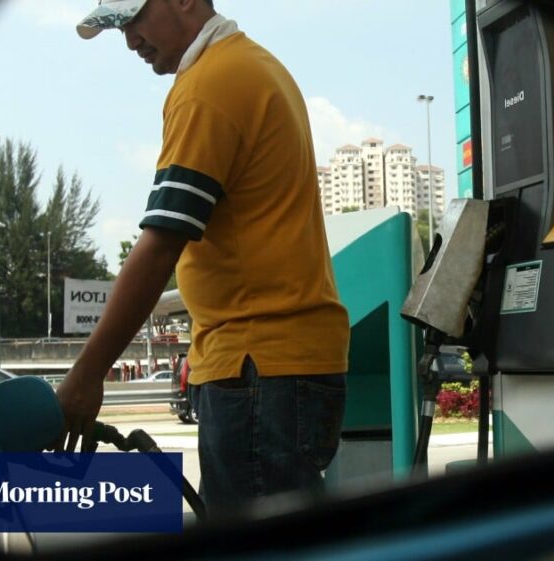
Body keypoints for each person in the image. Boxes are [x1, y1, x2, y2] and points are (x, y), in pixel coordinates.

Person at [58, 0, 350, 516]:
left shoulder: (208, 86)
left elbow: (161, 243)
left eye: (133, 19)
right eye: (118, 26)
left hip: (257, 367)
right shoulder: (256, 65)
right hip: (279, 363)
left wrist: (87, 375)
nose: (129, 41)